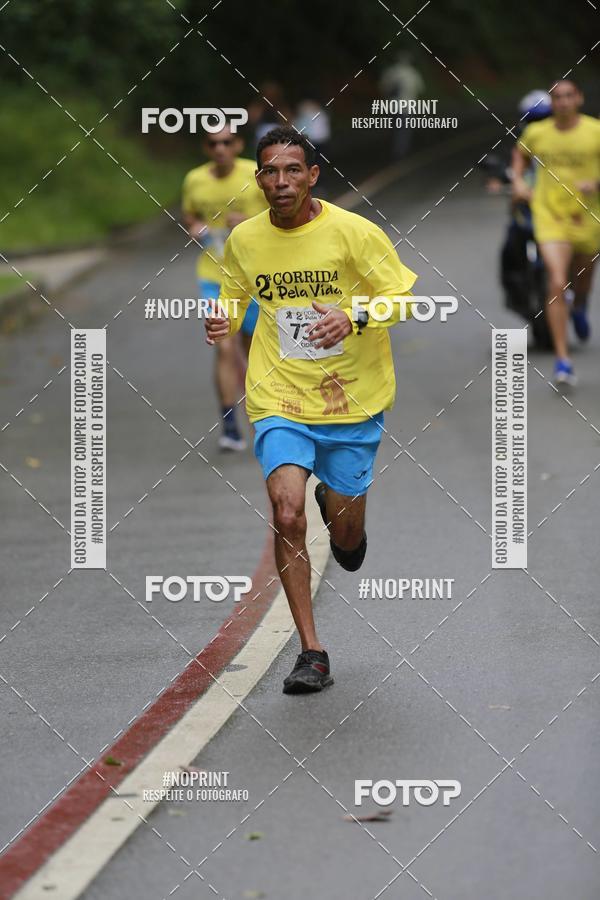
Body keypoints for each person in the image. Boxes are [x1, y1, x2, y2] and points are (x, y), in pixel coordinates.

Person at [205, 126, 417, 694]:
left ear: (313, 175)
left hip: (352, 399)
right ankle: (312, 651)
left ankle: (339, 508)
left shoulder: (354, 233)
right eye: (270, 171)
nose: (280, 182)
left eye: (292, 170)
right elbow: (232, 291)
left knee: (347, 543)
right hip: (280, 397)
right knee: (286, 509)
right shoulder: (246, 240)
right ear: (257, 179)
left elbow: (404, 298)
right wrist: (221, 317)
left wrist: (354, 317)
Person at [182, 123, 268, 450]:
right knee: (224, 348)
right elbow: (188, 215)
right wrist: (195, 227)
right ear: (206, 148)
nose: (220, 148)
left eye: (227, 142)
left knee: (253, 353)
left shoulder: (256, 174)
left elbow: (281, 214)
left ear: (238, 145)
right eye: (213, 143)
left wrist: (249, 224)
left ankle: (264, 420)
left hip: (253, 278)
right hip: (214, 277)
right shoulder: (194, 179)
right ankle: (230, 425)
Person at [512, 79, 600, 385]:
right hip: (549, 216)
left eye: (568, 96)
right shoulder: (537, 133)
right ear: (551, 103)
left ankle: (580, 305)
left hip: (587, 217)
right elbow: (520, 154)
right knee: (558, 282)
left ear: (579, 99)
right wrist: (520, 182)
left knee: (583, 278)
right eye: (556, 98)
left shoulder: (594, 131)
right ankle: (563, 360)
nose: (562, 102)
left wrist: (596, 184)